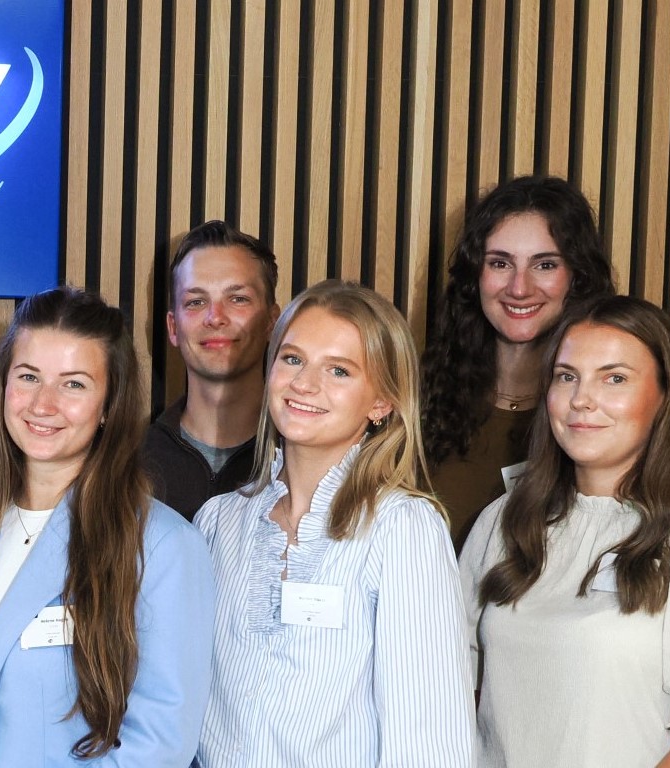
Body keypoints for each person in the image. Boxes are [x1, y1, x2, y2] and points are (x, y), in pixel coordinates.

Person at [0, 286, 216, 767]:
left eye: (73, 384)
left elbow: (159, 742)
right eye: (28, 377)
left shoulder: (165, 547)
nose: (43, 404)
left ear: (109, 404)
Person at [462, 295, 670, 767]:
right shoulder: (502, 520)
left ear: (664, 396)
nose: (581, 399)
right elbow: (451, 697)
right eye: (566, 376)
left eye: (614, 378)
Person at [194, 280, 473, 766]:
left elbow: (430, 738)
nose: (304, 384)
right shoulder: (218, 522)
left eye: (338, 370)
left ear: (381, 402)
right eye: (292, 359)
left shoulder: (402, 529)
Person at [423, 176, 615, 549]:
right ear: (474, 276)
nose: (519, 288)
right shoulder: (418, 399)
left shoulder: (599, 415)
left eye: (545, 265)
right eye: (500, 263)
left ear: (577, 276)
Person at [144, 220, 281, 519]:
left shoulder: (302, 458)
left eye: (238, 299)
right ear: (173, 327)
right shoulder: (126, 464)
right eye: (196, 301)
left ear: (272, 321)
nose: (215, 317)